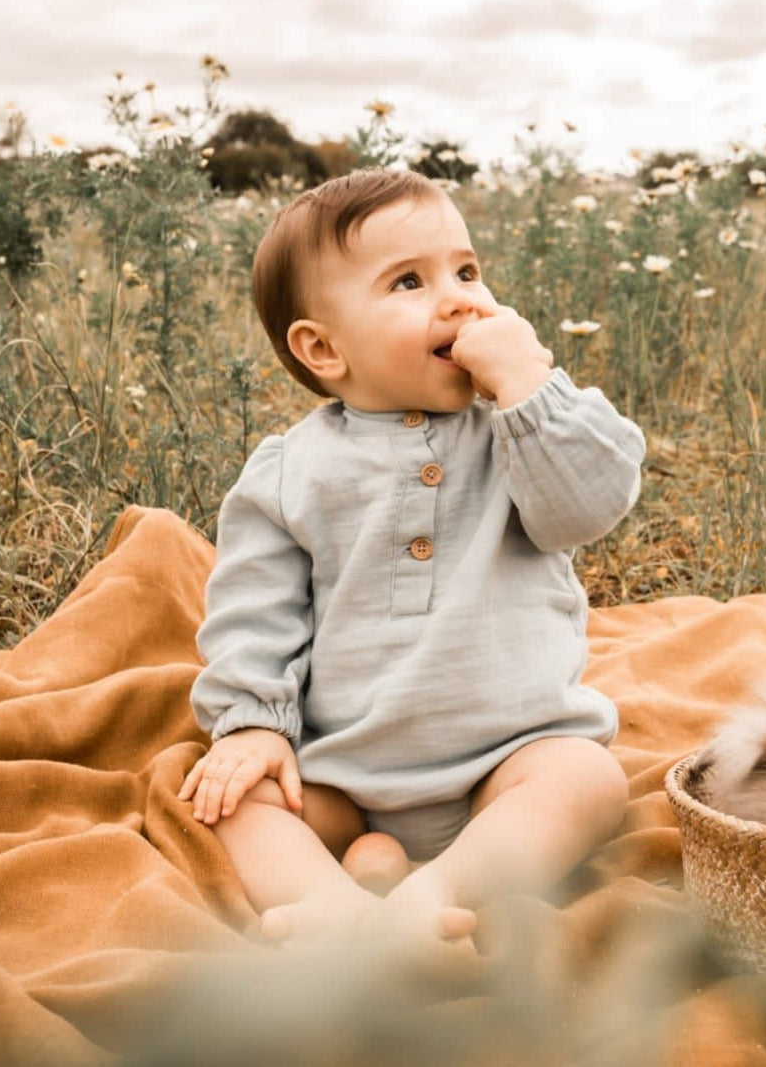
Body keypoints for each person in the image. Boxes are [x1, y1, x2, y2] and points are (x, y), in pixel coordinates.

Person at [180, 168, 645, 948]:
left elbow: (591, 505)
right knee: (235, 797)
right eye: (409, 281)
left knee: (590, 780)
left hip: (508, 762)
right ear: (322, 347)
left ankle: (431, 892)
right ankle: (334, 902)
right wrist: (252, 724)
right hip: (344, 770)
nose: (461, 297)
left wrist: (530, 382)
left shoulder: (520, 433)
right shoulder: (289, 470)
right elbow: (252, 613)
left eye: (467, 271)